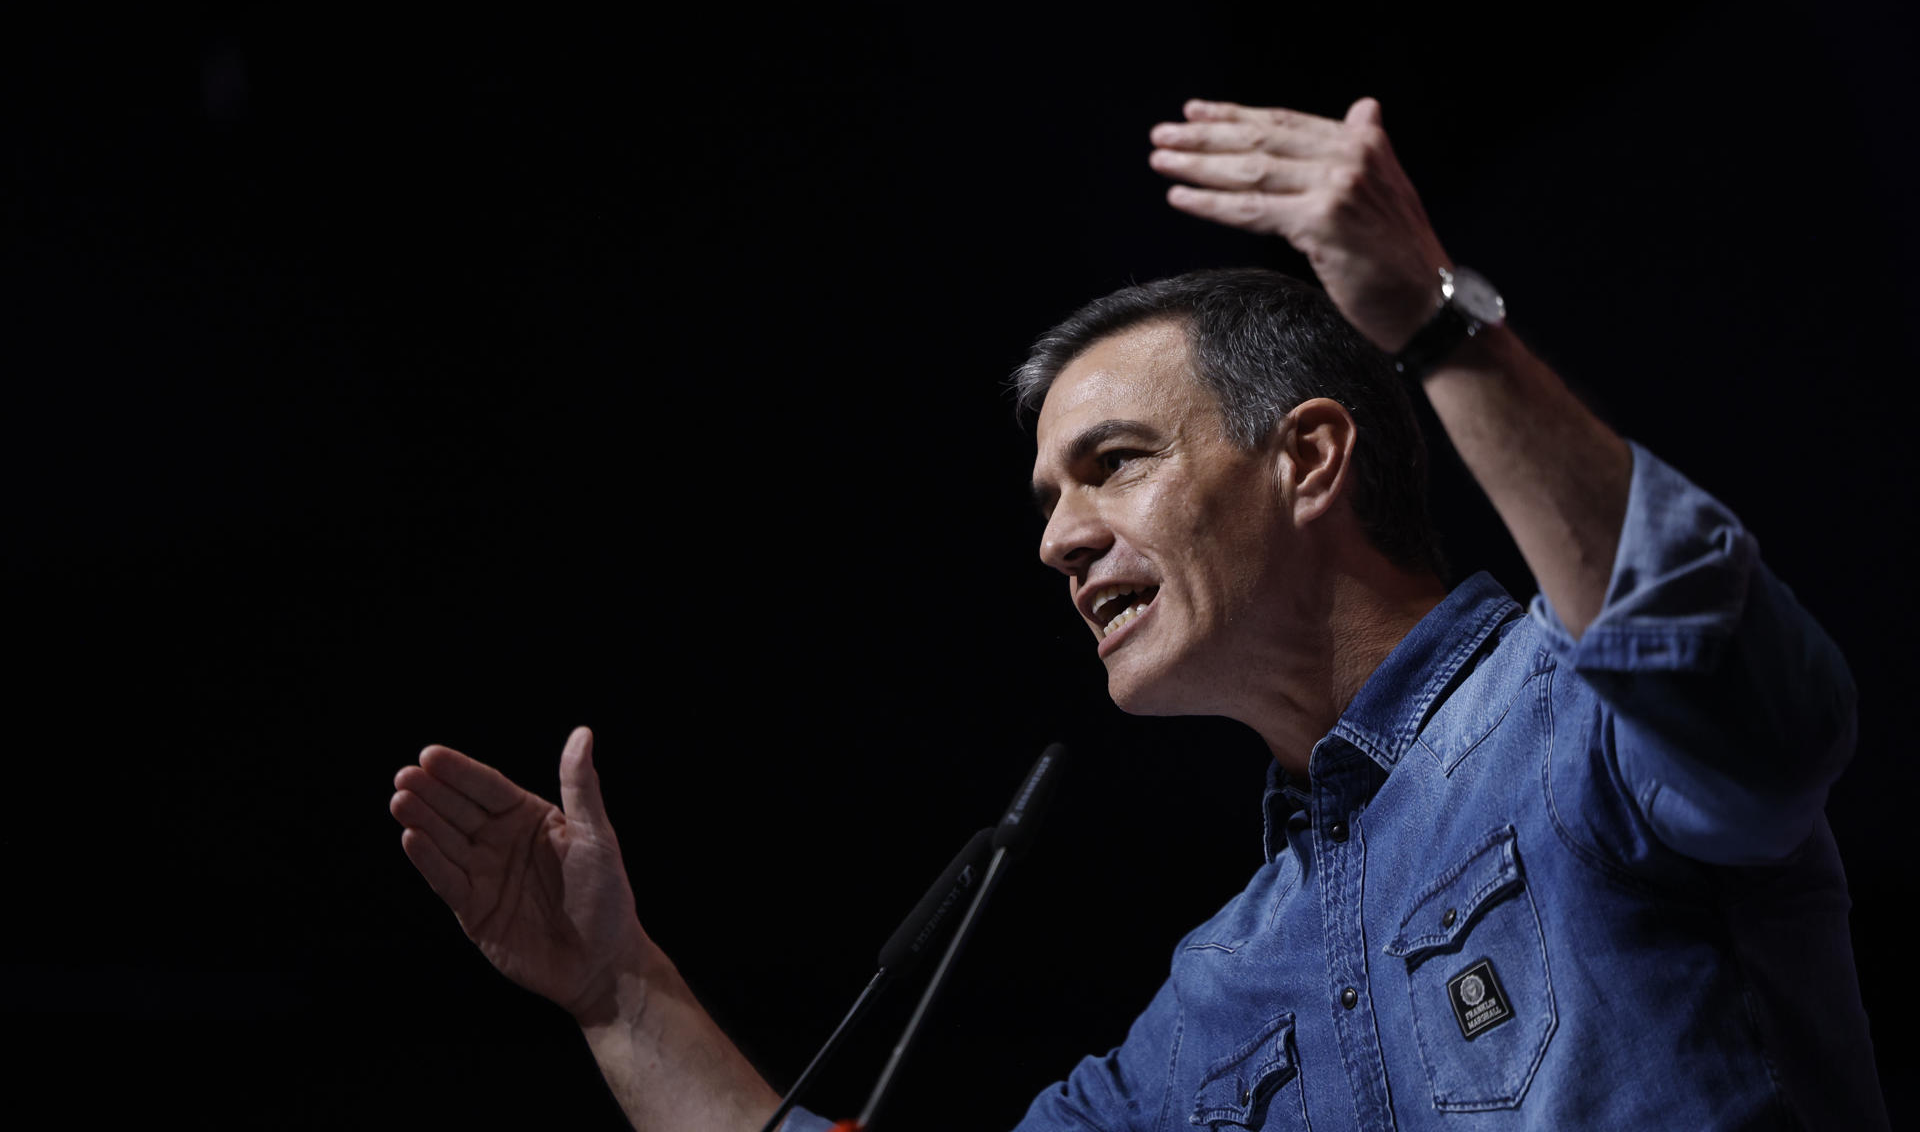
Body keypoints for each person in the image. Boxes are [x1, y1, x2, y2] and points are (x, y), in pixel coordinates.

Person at [389, 97, 1886, 1129]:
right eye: (1046, 497)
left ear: (1308, 457)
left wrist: (1433, 318)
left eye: (1113, 466)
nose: (1058, 540)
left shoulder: (1576, 713)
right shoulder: (1218, 992)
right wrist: (616, 995)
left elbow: (1758, 707)